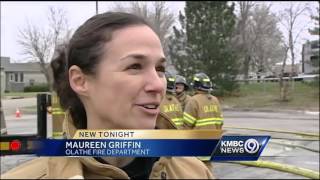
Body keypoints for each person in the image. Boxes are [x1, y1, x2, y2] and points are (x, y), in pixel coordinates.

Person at [1, 12, 214, 179]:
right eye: (135, 66)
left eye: (159, 68)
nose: (157, 84)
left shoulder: (194, 172)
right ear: (80, 81)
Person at [183, 72, 224, 168]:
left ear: (196, 86)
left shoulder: (193, 100)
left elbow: (187, 123)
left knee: (196, 169)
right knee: (208, 166)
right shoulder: (215, 100)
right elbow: (220, 123)